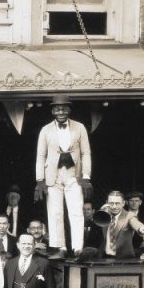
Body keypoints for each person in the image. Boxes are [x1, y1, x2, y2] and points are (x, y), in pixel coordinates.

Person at [34, 95, 93, 259]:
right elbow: (41, 155)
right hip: (53, 175)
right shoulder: (45, 130)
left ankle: (78, 248)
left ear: (69, 110)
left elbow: (86, 153)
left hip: (74, 173)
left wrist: (86, 176)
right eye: (58, 109)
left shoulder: (79, 127)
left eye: (64, 109)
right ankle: (60, 248)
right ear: (53, 111)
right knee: (55, 212)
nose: (61, 112)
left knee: (76, 211)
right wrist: (40, 180)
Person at [99, 191, 144, 259]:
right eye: (111, 203)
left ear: (123, 203)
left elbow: (135, 223)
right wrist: (101, 212)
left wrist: (141, 228)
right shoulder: (104, 214)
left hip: (124, 259)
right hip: (105, 257)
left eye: (117, 203)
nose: (114, 206)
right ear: (107, 203)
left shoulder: (129, 215)